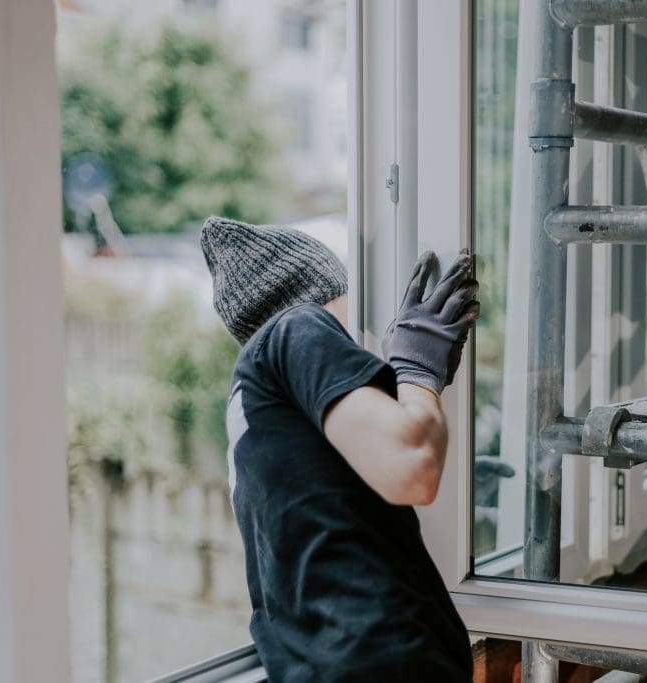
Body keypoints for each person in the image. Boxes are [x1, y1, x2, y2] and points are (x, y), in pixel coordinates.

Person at [200, 216, 479, 681]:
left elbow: (333, 517)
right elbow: (412, 466)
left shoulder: (254, 409)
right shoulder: (297, 327)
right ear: (326, 294)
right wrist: (414, 369)